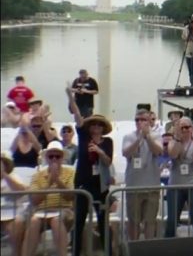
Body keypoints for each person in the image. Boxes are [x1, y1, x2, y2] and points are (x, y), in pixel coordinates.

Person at [66, 87, 114, 256]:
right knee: (79, 221)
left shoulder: (107, 142)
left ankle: (108, 252)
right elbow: (78, 117)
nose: (96, 127)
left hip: (100, 185)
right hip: (83, 183)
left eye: (99, 125)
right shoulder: (83, 136)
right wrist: (71, 98)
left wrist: (100, 151)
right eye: (93, 124)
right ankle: (76, 253)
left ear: (103, 128)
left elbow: (108, 162)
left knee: (103, 221)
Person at [11, 141, 75, 256]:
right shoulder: (37, 175)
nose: (54, 159)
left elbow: (71, 196)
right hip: (40, 211)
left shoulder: (71, 172)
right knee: (34, 221)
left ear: (62, 158)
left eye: (57, 156)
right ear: (47, 158)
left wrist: (57, 180)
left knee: (56, 220)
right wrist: (49, 183)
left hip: (64, 209)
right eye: (51, 156)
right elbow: (34, 200)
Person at [122, 109, 163, 240]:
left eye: (143, 120)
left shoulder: (156, 135)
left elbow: (158, 152)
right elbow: (126, 153)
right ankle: (134, 248)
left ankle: (148, 249)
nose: (140, 122)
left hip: (152, 185)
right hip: (134, 186)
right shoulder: (128, 136)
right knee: (133, 221)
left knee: (150, 221)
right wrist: (139, 138)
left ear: (149, 121)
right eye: (137, 120)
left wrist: (147, 137)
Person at [165, 117, 193, 238]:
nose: (185, 130)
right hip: (176, 184)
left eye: (187, 127)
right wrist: (177, 138)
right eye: (182, 127)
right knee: (172, 221)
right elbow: (173, 154)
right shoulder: (172, 142)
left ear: (192, 128)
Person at [1, 150, 26, 252]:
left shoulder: (14, 178)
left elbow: (22, 192)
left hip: (12, 215)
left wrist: (4, 175)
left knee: (17, 224)